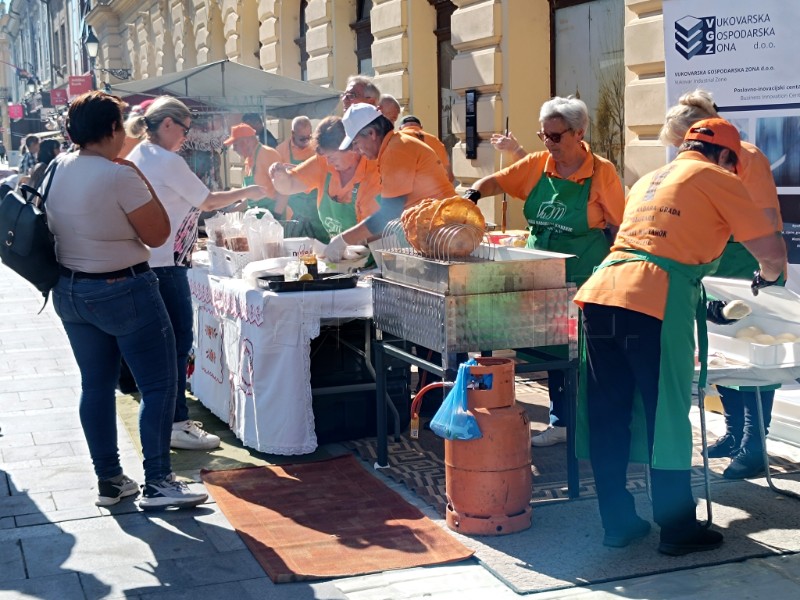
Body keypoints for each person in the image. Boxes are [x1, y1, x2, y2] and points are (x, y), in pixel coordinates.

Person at [574, 118, 786, 555]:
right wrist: (768, 277)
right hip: (653, 300)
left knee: (609, 415)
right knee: (666, 416)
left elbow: (667, 242)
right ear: (726, 155)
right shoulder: (716, 176)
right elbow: (771, 253)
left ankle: (618, 523)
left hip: (600, 294)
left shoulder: (652, 177)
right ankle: (676, 528)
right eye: (736, 163)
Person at [46, 91, 208, 510]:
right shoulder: (121, 174)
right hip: (124, 288)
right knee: (158, 384)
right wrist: (133, 175)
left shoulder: (57, 166)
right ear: (114, 130)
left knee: (95, 386)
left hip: (71, 289)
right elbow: (158, 234)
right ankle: (158, 481)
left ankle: (110, 480)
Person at [466, 96, 625, 447]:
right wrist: (472, 193)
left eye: (555, 136)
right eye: (543, 136)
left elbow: (618, 227)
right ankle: (562, 422)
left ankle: (596, 427)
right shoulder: (538, 164)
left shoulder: (602, 172)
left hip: (586, 276)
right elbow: (497, 181)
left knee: (587, 355)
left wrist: (617, 275)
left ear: (579, 132)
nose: (548, 144)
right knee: (552, 351)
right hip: (542, 276)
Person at [125, 96, 267, 451]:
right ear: (168, 124)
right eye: (185, 129)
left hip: (147, 261)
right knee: (177, 345)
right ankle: (175, 422)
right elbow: (205, 201)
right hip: (166, 264)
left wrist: (233, 202)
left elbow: (192, 203)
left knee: (165, 346)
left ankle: (171, 419)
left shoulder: (138, 155)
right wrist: (249, 190)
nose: (186, 138)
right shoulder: (165, 159)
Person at [661, 89, 785, 480]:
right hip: (714, 260)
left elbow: (763, 220)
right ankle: (734, 433)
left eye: (685, 144)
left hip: (747, 260)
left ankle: (755, 443)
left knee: (753, 351)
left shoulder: (746, 156)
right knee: (722, 350)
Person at [328, 103, 456, 260]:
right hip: (437, 232)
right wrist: (365, 242)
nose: (355, 150)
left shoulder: (395, 150)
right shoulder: (394, 145)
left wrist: (342, 240)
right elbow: (397, 213)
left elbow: (389, 213)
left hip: (444, 234)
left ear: (371, 133)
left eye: (356, 143)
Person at [269, 116, 381, 241]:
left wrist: (343, 242)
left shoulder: (374, 171)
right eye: (325, 156)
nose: (327, 162)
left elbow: (378, 226)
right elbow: (288, 186)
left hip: (372, 255)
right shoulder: (322, 162)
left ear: (353, 149)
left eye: (332, 157)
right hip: (340, 253)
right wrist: (280, 177)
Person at [275, 116, 328, 240]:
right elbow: (280, 186)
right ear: (292, 133)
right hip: (294, 211)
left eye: (309, 137)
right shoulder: (281, 151)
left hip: (316, 209)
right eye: (302, 138)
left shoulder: (317, 147)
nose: (306, 141)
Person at [222, 123, 283, 217]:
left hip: (271, 218)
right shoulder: (249, 160)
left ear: (246, 141)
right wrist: (228, 213)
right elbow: (251, 199)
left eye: (235, 144)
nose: (233, 149)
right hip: (256, 219)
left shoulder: (267, 154)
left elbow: (283, 191)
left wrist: (276, 217)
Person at [399, 115, 454, 182]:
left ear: (400, 128)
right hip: (432, 187)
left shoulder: (396, 140)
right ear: (421, 127)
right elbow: (448, 173)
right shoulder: (434, 140)